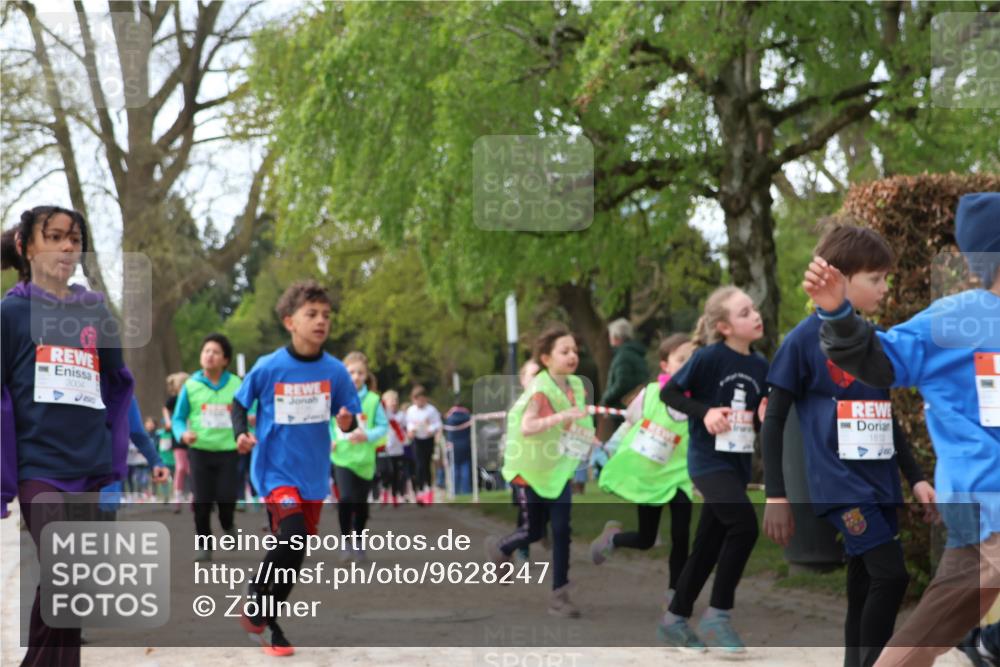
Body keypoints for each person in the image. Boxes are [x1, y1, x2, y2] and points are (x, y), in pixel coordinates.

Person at [802, 192, 1000, 667]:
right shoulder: (960, 318)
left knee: (928, 635)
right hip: (984, 494)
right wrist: (836, 313)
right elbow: (880, 359)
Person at [761, 225, 936, 667]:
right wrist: (775, 495)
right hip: (840, 487)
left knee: (863, 585)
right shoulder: (801, 340)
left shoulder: (871, 340)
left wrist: (915, 479)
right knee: (891, 577)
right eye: (875, 279)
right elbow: (775, 419)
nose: (884, 287)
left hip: (879, 484)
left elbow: (886, 415)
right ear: (839, 279)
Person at [1, 206, 134, 667]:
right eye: (54, 237)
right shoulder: (12, 312)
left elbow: (118, 382)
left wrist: (110, 451)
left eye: (74, 239)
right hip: (39, 468)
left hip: (88, 468)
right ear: (27, 246)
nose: (65, 247)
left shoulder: (95, 309)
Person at [232, 279, 360, 657]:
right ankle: (256, 592)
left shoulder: (336, 371)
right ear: (290, 321)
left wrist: (347, 421)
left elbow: (349, 420)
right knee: (290, 536)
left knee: (296, 550)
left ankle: (267, 621)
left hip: (313, 475)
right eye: (312, 314)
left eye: (326, 315)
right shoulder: (269, 366)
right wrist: (241, 434)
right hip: (274, 471)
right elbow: (240, 404)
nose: (321, 321)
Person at [659, 286, 770, 653]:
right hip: (707, 463)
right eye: (744, 312)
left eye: (754, 309)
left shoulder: (760, 365)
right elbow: (669, 394)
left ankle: (674, 620)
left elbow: (756, 415)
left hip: (737, 465)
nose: (755, 316)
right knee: (744, 526)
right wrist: (704, 412)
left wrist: (764, 416)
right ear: (723, 326)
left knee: (708, 545)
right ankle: (717, 617)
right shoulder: (708, 358)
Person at [490, 324, 597, 618]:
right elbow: (527, 426)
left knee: (562, 530)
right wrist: (561, 417)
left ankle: (559, 596)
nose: (572, 355)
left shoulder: (576, 385)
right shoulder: (540, 389)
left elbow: (577, 422)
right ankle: (502, 548)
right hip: (529, 468)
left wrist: (594, 442)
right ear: (547, 358)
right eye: (565, 351)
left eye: (575, 350)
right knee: (534, 530)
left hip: (556, 467)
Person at [592, 333, 696, 613]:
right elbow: (628, 426)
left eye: (694, 358)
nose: (689, 364)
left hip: (680, 478)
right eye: (681, 359)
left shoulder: (701, 400)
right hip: (650, 477)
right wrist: (611, 451)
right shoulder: (650, 394)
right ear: (665, 365)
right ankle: (612, 539)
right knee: (646, 539)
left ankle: (674, 594)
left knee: (680, 535)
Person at [172, 333, 242, 562]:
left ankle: (227, 523)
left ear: (225, 360)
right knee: (201, 500)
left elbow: (248, 410)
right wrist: (183, 433)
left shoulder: (236, 384)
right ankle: (204, 543)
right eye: (206, 351)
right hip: (200, 450)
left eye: (216, 352)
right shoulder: (191, 385)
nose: (209, 355)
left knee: (226, 498)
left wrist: (248, 424)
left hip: (228, 451)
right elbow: (178, 418)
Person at [330, 351, 388, 561]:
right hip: (342, 458)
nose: (355, 377)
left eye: (360, 373)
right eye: (351, 372)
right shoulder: (335, 398)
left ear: (366, 376)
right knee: (345, 499)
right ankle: (346, 540)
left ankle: (359, 540)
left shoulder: (373, 401)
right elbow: (328, 423)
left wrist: (367, 435)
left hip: (364, 460)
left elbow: (383, 427)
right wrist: (331, 439)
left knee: (360, 504)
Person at [599, 317, 650, 440]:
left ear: (615, 337)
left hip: (623, 407)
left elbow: (622, 383)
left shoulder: (623, 356)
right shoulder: (636, 354)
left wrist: (606, 399)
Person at [406, 385, 442, 505]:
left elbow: (437, 423)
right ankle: (420, 490)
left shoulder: (431, 410)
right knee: (419, 465)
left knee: (426, 464)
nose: (420, 402)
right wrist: (412, 429)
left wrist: (430, 428)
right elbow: (409, 424)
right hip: (417, 440)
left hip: (428, 439)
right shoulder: (411, 410)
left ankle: (428, 488)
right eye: (417, 399)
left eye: (422, 399)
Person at [163, 371, 191, 510]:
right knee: (180, 467)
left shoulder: (192, 398)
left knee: (192, 469)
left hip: (193, 437)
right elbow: (165, 409)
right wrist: (169, 421)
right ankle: (178, 498)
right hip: (178, 437)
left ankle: (196, 497)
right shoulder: (174, 400)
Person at [380, 390, 407, 506]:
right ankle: (384, 492)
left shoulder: (401, 415)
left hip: (398, 449)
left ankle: (395, 496)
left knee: (396, 474)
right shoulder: (381, 414)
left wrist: (404, 438)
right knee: (386, 472)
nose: (394, 403)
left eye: (395, 400)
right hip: (385, 449)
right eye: (391, 400)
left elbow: (403, 428)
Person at [444, 400, 473, 496]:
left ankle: (455, 491)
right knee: (465, 468)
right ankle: (466, 491)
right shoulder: (468, 417)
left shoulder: (449, 418)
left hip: (453, 447)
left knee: (454, 468)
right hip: (466, 446)